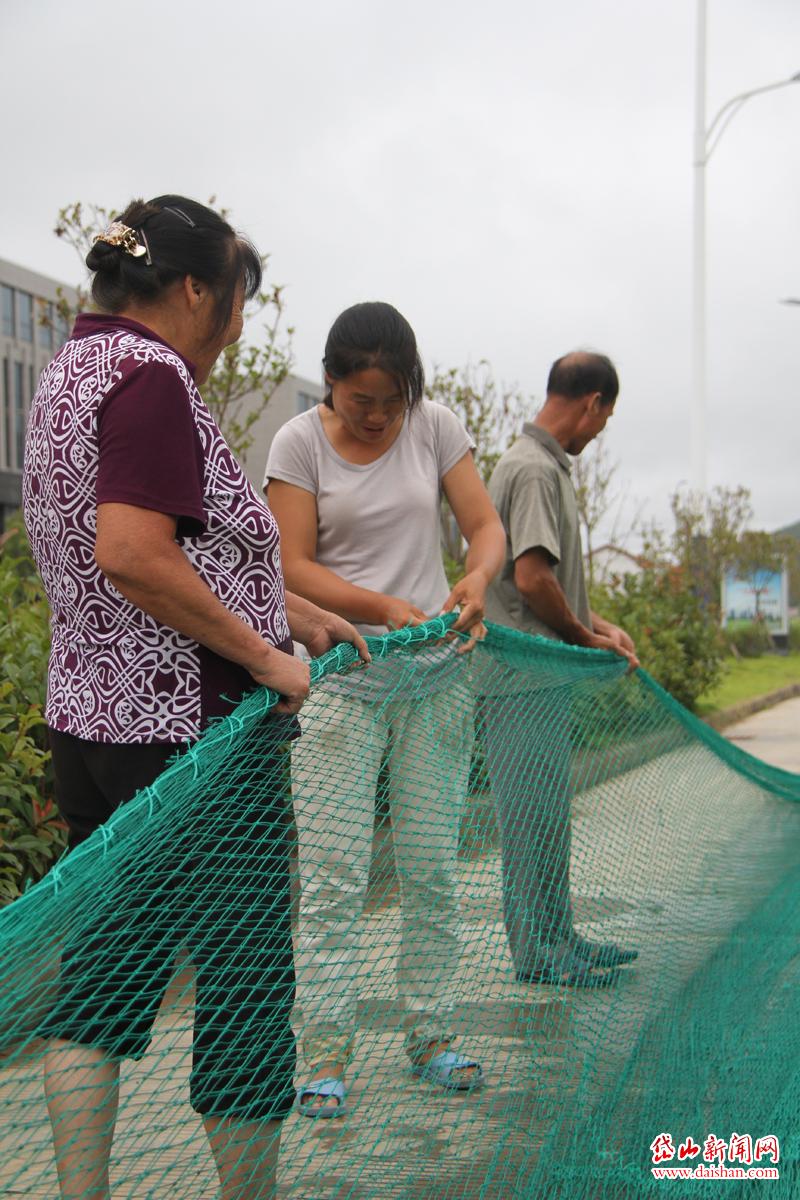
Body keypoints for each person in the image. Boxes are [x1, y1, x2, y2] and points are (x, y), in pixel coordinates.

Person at [22, 195, 367, 1200]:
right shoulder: (152, 379)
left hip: (93, 727)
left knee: (103, 978)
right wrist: (263, 660)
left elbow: (181, 550)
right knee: (245, 986)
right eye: (237, 307)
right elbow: (132, 552)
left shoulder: (72, 370)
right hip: (194, 744)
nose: (235, 332)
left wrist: (287, 607)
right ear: (193, 291)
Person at [265, 301, 506, 1117]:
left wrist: (476, 579)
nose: (376, 418)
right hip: (340, 681)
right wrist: (377, 605)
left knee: (432, 868)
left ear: (413, 392)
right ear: (329, 382)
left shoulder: (435, 425)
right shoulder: (297, 443)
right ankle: (325, 1048)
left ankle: (431, 1032)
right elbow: (290, 566)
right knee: (333, 878)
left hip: (436, 677)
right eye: (360, 400)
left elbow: (483, 526)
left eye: (391, 403)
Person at [484, 351, 639, 988]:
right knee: (528, 819)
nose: (601, 429)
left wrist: (598, 626)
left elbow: (550, 582)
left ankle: (561, 937)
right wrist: (582, 638)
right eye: (606, 415)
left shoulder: (546, 466)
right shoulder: (532, 469)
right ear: (592, 403)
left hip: (539, 678)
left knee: (547, 816)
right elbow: (531, 577)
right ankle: (541, 954)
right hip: (520, 679)